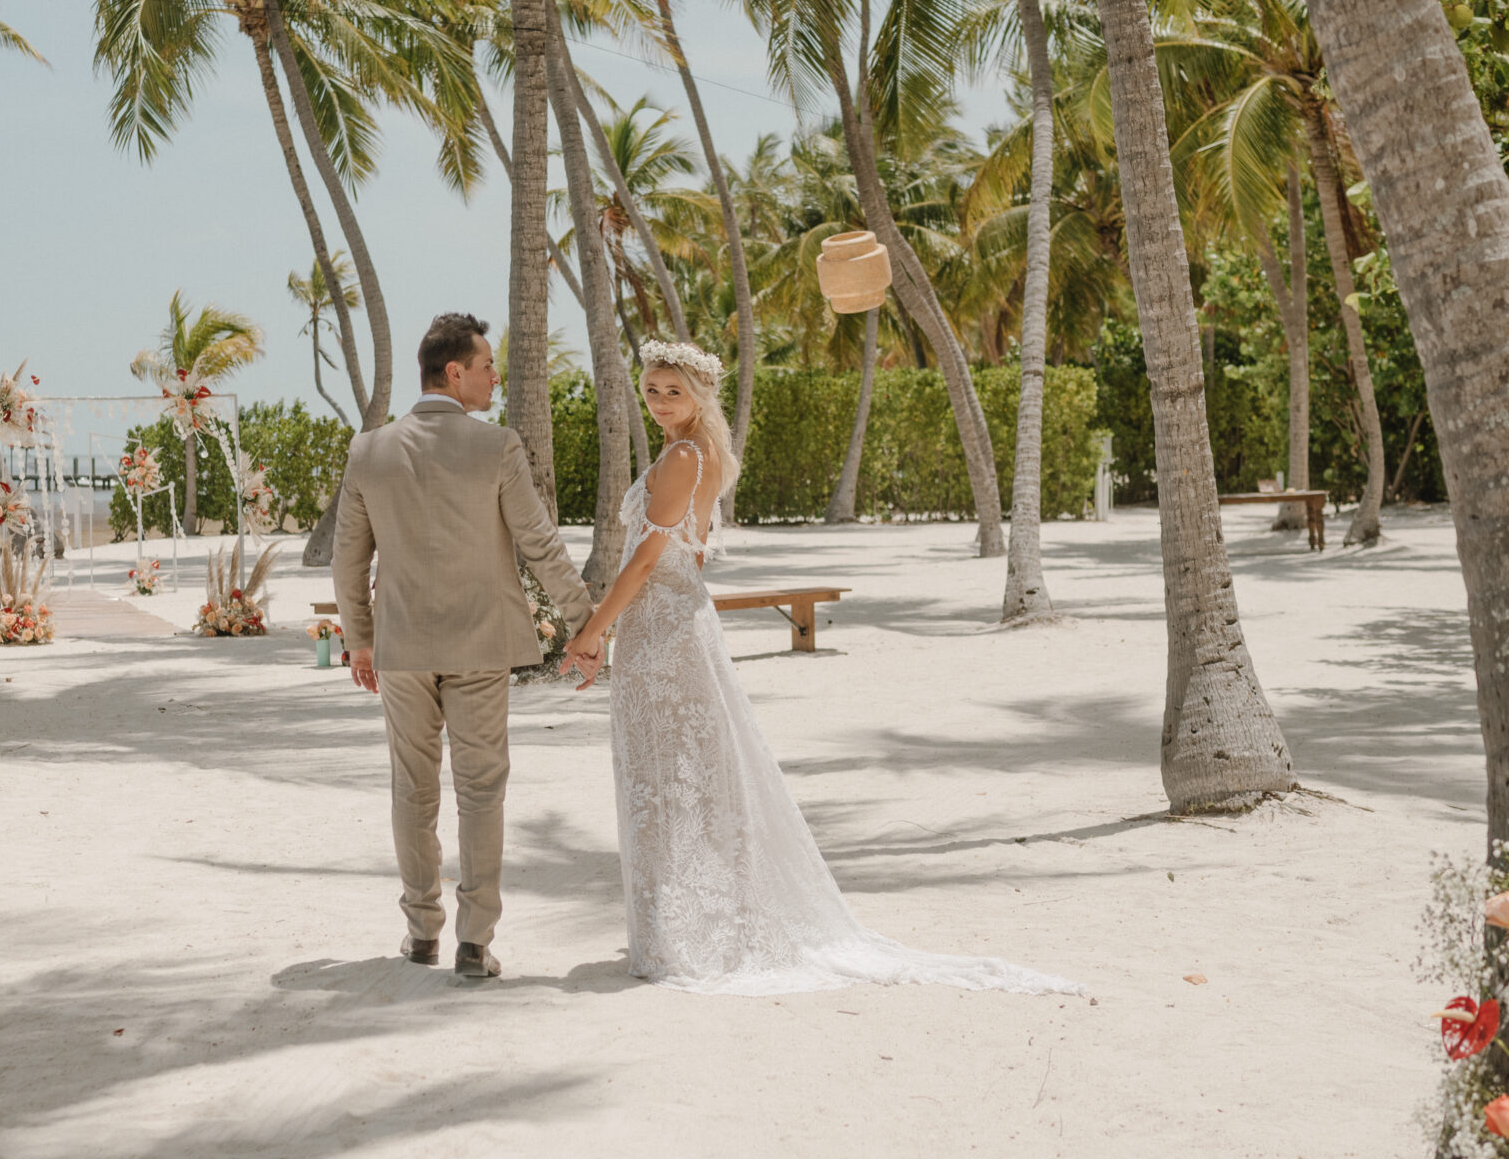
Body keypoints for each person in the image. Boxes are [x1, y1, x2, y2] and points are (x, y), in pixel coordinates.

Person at [561, 340, 1081, 997]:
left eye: (673, 390)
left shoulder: (683, 457)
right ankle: (686, 923)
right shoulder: (705, 456)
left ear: (699, 395)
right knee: (683, 774)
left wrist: (592, 630)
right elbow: (685, 563)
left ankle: (680, 934)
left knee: (669, 774)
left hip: (663, 630)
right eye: (653, 389)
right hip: (677, 623)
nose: (661, 401)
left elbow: (642, 561)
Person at [333, 313, 597, 980]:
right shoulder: (496, 447)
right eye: (485, 365)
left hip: (401, 647)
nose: (494, 376)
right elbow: (539, 543)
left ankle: (422, 930)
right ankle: (475, 943)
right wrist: (585, 621)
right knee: (481, 790)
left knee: (411, 787)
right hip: (481, 642)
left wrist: (360, 641)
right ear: (454, 372)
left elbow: (346, 563)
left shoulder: (369, 450)